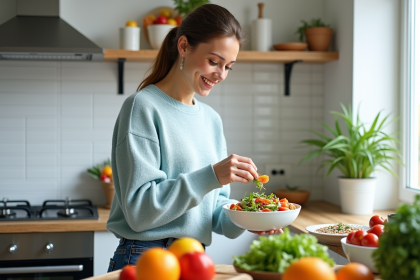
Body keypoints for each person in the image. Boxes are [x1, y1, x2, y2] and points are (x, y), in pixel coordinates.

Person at [106, 4, 281, 272]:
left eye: (228, 67)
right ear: (184, 46)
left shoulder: (211, 119)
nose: (221, 75)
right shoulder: (142, 107)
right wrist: (212, 175)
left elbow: (215, 214)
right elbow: (139, 211)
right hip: (146, 257)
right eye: (214, 61)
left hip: (196, 260)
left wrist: (252, 219)